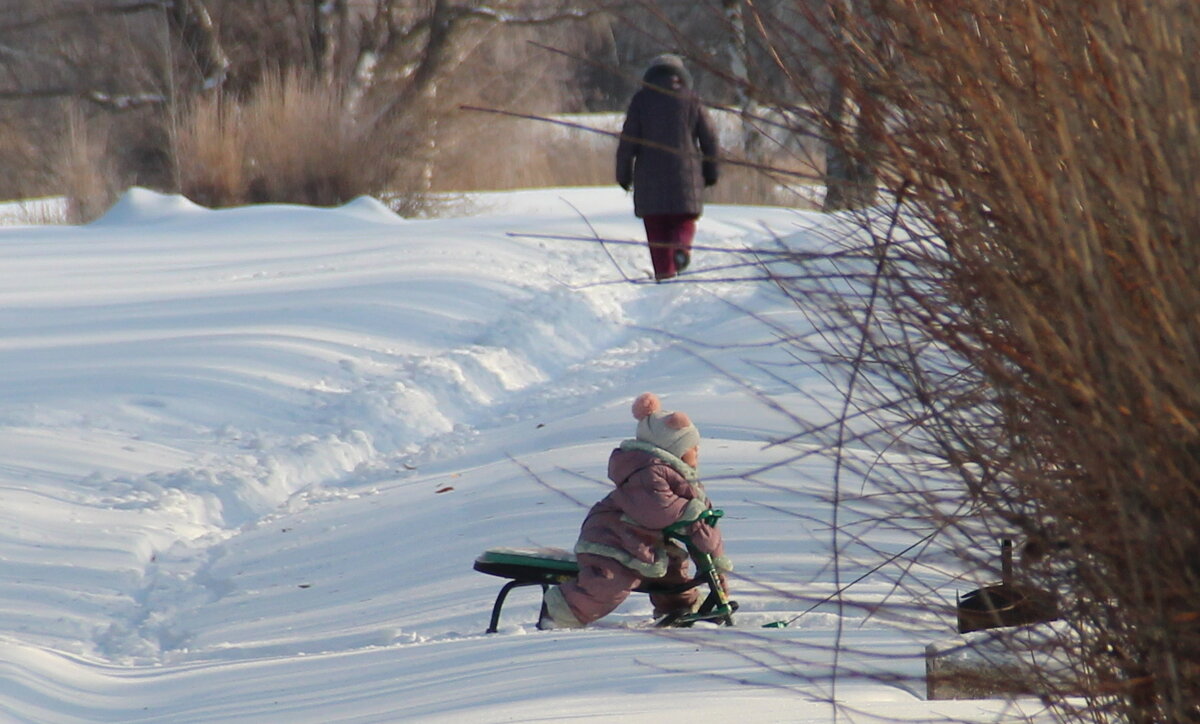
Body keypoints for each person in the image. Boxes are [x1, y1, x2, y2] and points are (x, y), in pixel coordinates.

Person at [539, 392, 732, 629]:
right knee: (609, 582)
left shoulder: (683, 478)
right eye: (693, 447)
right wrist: (691, 511)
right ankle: (561, 613)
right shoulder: (648, 472)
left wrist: (713, 559)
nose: (697, 453)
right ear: (675, 450)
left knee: (673, 569)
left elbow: (701, 517)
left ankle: (678, 609)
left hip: (644, 541)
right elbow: (657, 510)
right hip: (612, 538)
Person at [615, 54, 720, 282]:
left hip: (649, 180)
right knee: (683, 220)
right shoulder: (692, 100)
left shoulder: (641, 101)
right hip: (686, 178)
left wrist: (623, 174)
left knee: (656, 227)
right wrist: (710, 171)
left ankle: (664, 276)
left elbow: (628, 142)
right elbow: (709, 139)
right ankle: (681, 248)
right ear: (681, 77)